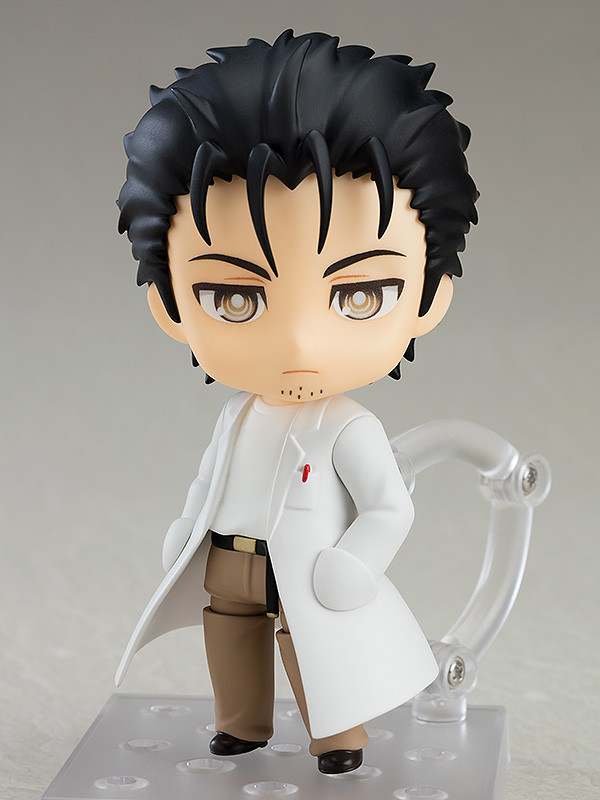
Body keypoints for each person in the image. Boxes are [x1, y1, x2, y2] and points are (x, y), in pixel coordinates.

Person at [115, 29, 478, 774]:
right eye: (235, 298)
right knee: (229, 636)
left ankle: (338, 738)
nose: (299, 342)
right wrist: (188, 524)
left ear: (431, 297)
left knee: (316, 650)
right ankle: (239, 726)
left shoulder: (349, 426)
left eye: (359, 295)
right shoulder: (237, 414)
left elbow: (389, 507)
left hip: (308, 569)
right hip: (230, 557)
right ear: (169, 305)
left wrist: (356, 562)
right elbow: (211, 477)